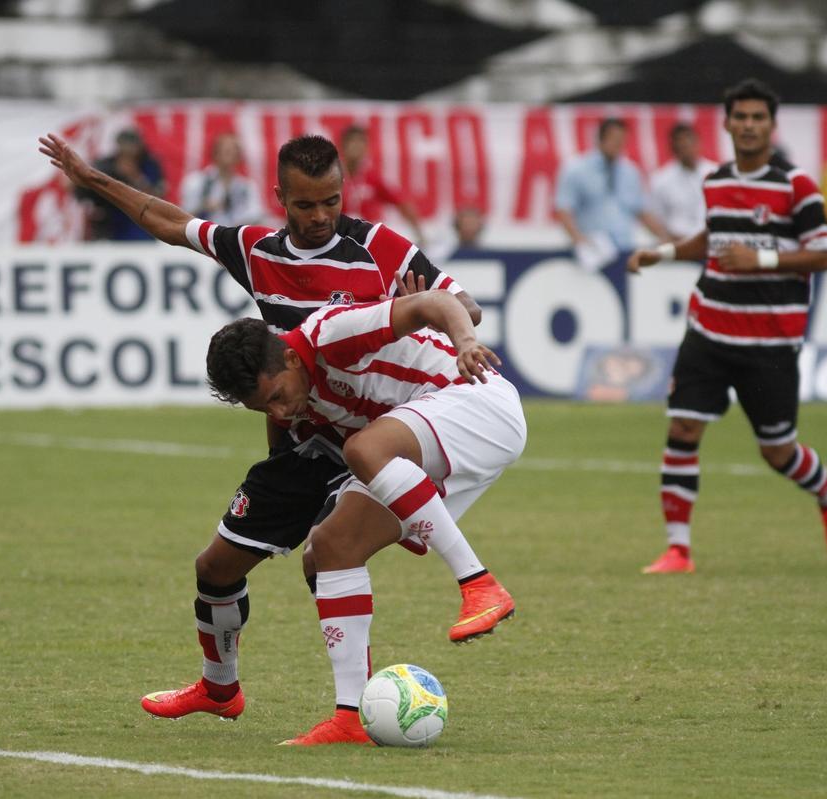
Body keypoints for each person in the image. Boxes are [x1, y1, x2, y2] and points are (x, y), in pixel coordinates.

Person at [37, 131, 495, 727]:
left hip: (373, 432)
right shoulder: (255, 250)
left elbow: (466, 305)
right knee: (214, 568)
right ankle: (219, 688)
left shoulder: (380, 247)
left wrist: (423, 311)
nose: (321, 216)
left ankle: (357, 708)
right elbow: (169, 221)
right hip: (303, 439)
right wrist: (93, 178)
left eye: (331, 200)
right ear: (280, 196)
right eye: (305, 204)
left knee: (327, 556)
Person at [205, 290, 524, 745]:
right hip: (426, 441)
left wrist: (466, 342)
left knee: (364, 449)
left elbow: (432, 303)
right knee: (328, 548)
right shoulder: (295, 400)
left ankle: (479, 584)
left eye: (278, 396)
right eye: (264, 409)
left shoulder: (330, 334)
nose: (279, 412)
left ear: (292, 360)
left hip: (478, 402)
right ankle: (350, 717)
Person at [627, 79, 827, 574]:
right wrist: (660, 253)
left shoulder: (797, 186)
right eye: (741, 117)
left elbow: (825, 252)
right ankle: (678, 550)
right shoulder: (717, 180)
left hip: (769, 344)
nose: (748, 125)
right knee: (683, 428)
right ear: (727, 124)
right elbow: (712, 238)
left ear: (771, 126)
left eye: (758, 118)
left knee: (777, 451)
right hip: (708, 329)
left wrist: (762, 258)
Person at [556, 118, 669, 270]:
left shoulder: (630, 172)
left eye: (622, 140)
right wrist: (578, 239)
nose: (618, 144)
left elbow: (642, 211)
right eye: (614, 139)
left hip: (624, 249)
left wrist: (664, 238)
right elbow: (564, 208)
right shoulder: (576, 170)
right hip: (593, 253)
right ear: (601, 139)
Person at [77, 129, 166, 241]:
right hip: (110, 228)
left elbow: (159, 200)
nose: (128, 151)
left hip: (142, 229)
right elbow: (85, 194)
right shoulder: (106, 165)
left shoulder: (150, 165)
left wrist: (136, 177)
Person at [339, 125, 424, 242]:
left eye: (361, 142)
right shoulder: (332, 176)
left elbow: (402, 202)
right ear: (343, 146)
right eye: (353, 141)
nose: (357, 146)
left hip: (366, 240)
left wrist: (420, 234)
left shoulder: (373, 177)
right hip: (340, 239)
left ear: (366, 148)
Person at [178, 133, 263, 227]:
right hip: (203, 236)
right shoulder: (196, 182)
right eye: (227, 150)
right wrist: (204, 207)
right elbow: (184, 215)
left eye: (236, 150)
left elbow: (256, 214)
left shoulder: (247, 186)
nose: (232, 154)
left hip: (235, 236)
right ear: (215, 153)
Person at [650, 123, 717, 241]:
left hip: (711, 240)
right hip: (679, 244)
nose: (686, 149)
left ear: (698, 143)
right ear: (673, 148)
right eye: (681, 145)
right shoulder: (661, 179)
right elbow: (657, 218)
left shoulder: (716, 173)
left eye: (689, 143)